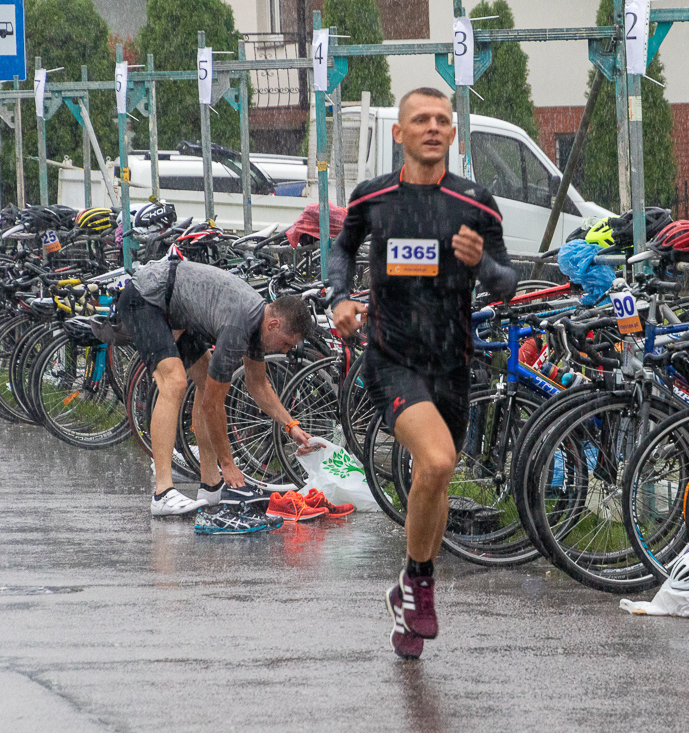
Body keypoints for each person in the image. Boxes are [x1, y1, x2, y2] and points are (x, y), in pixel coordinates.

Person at [328, 87, 518, 659]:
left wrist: (481, 264)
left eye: (441, 120)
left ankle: (407, 594)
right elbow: (341, 249)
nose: (432, 127)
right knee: (435, 461)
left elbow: (507, 282)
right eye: (420, 120)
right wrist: (339, 297)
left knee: (436, 478)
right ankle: (420, 582)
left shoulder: (475, 202)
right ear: (399, 133)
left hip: (452, 364)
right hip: (392, 359)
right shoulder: (373, 196)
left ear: (453, 134)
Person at [118, 257, 317, 534]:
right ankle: (162, 493)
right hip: (144, 299)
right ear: (274, 324)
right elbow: (212, 405)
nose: (285, 351)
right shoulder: (239, 328)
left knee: (204, 379)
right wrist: (229, 464)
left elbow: (258, 385)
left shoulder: (258, 324)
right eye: (286, 343)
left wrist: (291, 425)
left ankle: (211, 485)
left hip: (175, 308)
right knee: (174, 382)